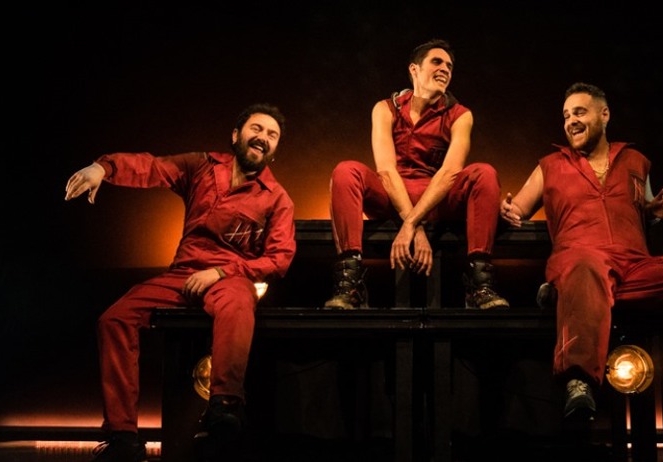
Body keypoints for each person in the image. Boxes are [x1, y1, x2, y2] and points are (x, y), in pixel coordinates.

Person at [64, 103, 296, 462]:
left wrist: (222, 272)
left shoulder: (276, 198)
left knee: (238, 300)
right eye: (257, 129)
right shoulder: (202, 166)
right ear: (236, 135)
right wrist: (103, 168)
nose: (263, 138)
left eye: (272, 135)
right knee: (114, 319)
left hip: (229, 277)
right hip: (182, 274)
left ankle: (224, 407)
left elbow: (279, 258)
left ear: (275, 148)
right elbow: (152, 167)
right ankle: (123, 436)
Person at [500, 82, 663, 424]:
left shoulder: (635, 161)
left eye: (579, 112)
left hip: (633, 265)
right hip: (581, 258)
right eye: (566, 115)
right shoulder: (550, 165)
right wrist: (507, 210)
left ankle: (571, 296)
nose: (570, 121)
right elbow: (517, 209)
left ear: (604, 114)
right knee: (586, 268)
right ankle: (579, 380)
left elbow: (644, 208)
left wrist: (653, 213)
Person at [325, 38, 509, 310]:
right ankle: (350, 284)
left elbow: (450, 173)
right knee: (345, 171)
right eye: (437, 62)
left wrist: (411, 224)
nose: (445, 69)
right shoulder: (385, 108)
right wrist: (416, 227)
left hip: (436, 200)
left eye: (449, 65)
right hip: (392, 197)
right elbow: (386, 171)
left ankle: (480, 285)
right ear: (414, 69)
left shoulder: (460, 115)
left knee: (484, 173)